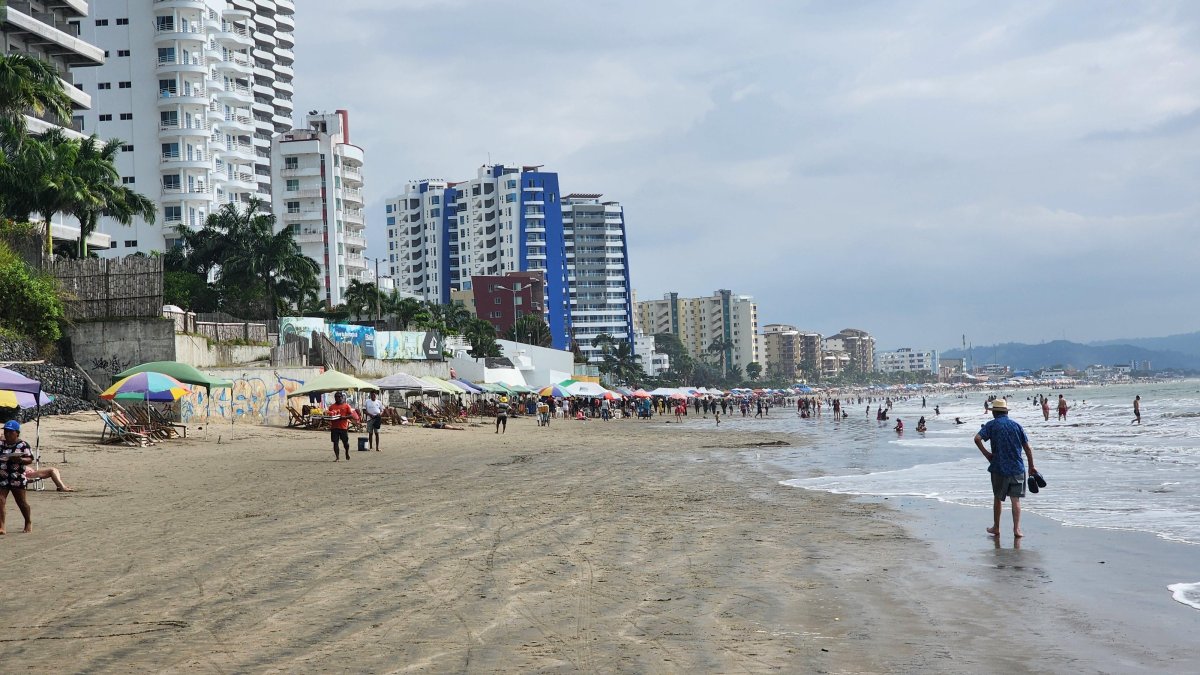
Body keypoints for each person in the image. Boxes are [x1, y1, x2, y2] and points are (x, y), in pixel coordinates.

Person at [973, 399, 1037, 538]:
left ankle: (996, 527)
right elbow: (1027, 448)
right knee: (1015, 500)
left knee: (997, 498)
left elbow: (977, 439)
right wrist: (1032, 466)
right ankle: (1017, 529)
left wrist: (987, 454)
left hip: (998, 467)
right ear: (1006, 412)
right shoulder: (1016, 426)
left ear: (994, 412)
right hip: (1017, 467)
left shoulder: (991, 425)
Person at [0, 420, 35, 533]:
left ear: (17, 433)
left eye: (10, 432)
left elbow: (29, 459)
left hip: (17, 477)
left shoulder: (23, 445)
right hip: (2, 476)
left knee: (21, 502)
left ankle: (28, 521)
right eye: (6, 431)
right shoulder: (1, 444)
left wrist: (20, 459)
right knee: (0, 500)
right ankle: (2, 526)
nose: (7, 434)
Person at [326, 392, 356, 461]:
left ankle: (347, 452)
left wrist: (344, 417)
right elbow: (329, 415)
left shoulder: (346, 406)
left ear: (342, 397)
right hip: (334, 427)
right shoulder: (332, 407)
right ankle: (337, 457)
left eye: (339, 397)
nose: (338, 398)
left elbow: (351, 415)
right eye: (336, 397)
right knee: (335, 442)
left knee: (345, 443)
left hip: (343, 427)